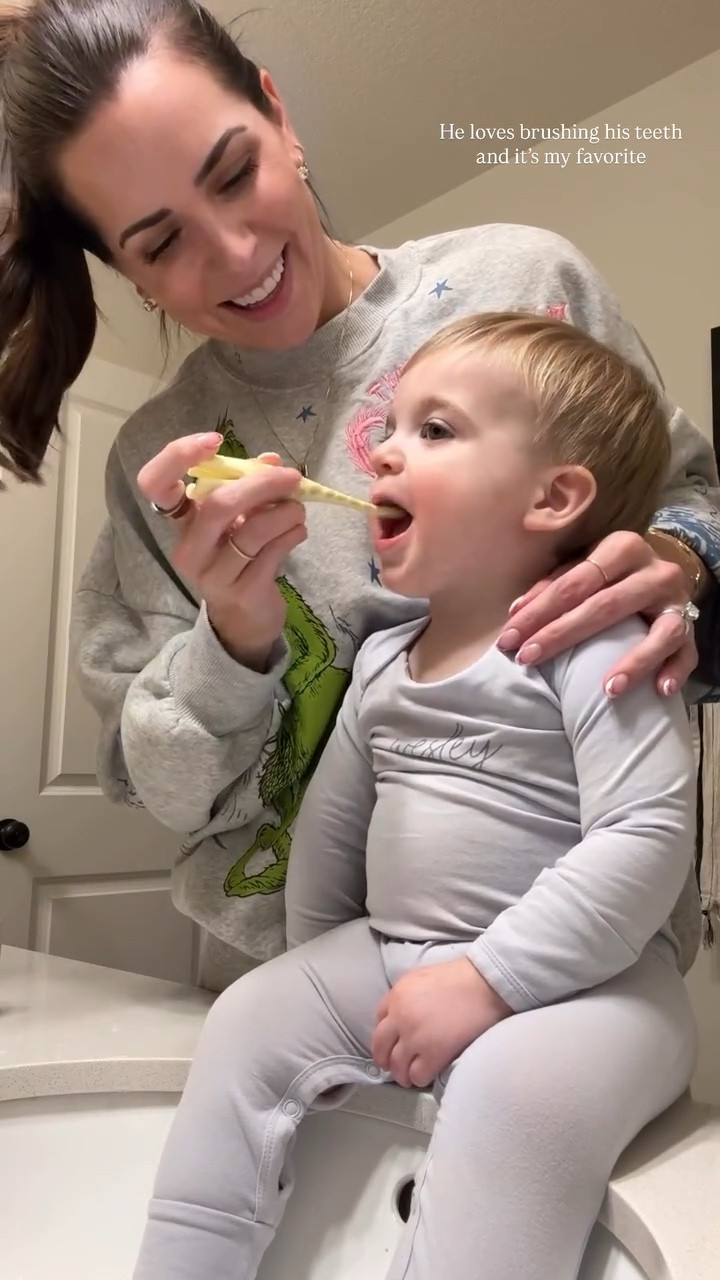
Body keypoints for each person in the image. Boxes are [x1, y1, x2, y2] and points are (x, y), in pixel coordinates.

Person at [0, 0, 716, 970]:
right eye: (162, 242)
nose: (239, 254)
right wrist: (235, 637)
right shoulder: (155, 459)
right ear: (131, 278)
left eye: (235, 171)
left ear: (279, 117)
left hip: (578, 965)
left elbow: (692, 493)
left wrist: (681, 557)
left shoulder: (524, 278)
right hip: (305, 979)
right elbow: (164, 791)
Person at [130, 312, 698, 1280]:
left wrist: (489, 981)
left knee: (513, 1090)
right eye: (391, 425)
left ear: (555, 497)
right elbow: (331, 837)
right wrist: (316, 991)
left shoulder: (600, 644)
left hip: (598, 983)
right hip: (397, 948)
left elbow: (644, 837)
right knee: (243, 1019)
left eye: (433, 430)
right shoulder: (385, 657)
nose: (383, 452)